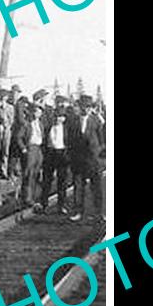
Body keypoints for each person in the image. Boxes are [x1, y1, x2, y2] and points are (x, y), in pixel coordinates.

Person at [69, 94, 105, 222]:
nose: (86, 109)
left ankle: (99, 213)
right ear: (80, 107)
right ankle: (78, 212)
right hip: (78, 160)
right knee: (78, 187)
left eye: (88, 107)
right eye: (84, 107)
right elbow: (70, 140)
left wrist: (98, 154)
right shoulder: (73, 121)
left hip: (94, 160)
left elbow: (102, 140)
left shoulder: (96, 121)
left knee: (97, 188)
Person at [41, 94, 74, 213]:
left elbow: (70, 142)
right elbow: (44, 141)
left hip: (62, 154)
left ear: (64, 118)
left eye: (61, 117)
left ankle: (61, 205)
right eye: (56, 116)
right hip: (50, 154)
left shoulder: (66, 129)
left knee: (62, 181)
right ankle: (44, 204)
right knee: (47, 180)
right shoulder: (48, 127)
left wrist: (68, 155)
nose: (58, 119)